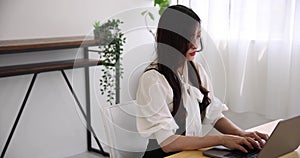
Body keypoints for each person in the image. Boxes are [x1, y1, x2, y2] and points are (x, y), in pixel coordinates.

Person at [135, 5, 269, 158]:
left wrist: (243, 135)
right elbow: (168, 143)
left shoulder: (195, 69)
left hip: (190, 153)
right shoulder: (153, 80)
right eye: (188, 38)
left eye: (197, 36)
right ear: (172, 40)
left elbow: (212, 113)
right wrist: (221, 139)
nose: (195, 44)